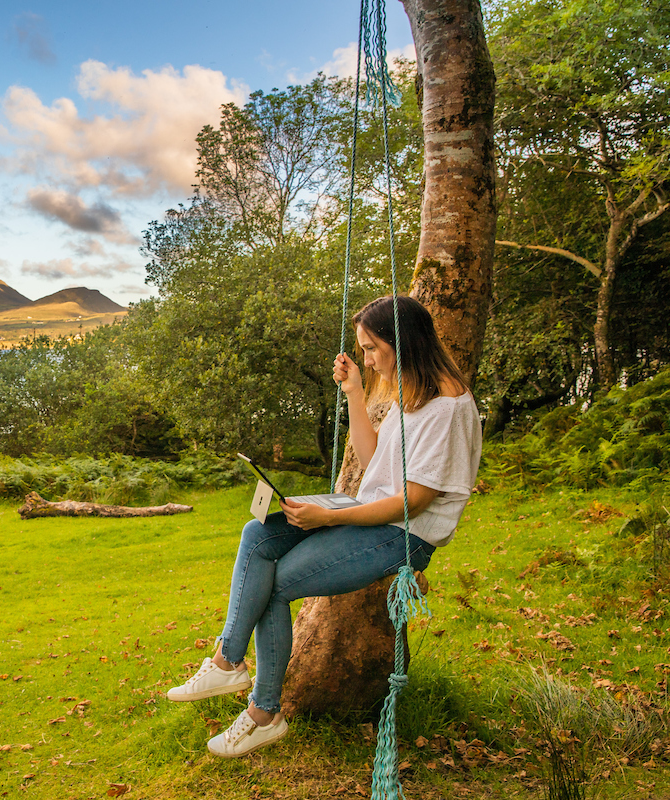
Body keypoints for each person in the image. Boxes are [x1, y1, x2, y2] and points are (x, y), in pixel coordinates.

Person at [167, 295, 482, 758]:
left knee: (274, 585)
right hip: (371, 512)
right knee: (258, 535)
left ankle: (263, 713)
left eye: (373, 349)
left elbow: (412, 501)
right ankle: (228, 662)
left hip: (404, 535)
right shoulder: (413, 393)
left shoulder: (447, 407)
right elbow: (374, 460)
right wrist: (355, 392)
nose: (369, 361)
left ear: (403, 341)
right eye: (363, 350)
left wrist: (330, 517)